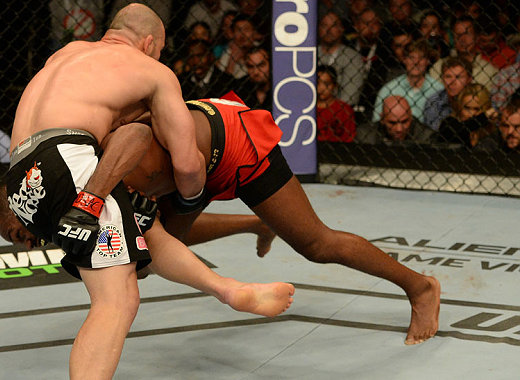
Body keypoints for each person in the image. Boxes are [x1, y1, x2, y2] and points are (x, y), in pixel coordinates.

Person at [0, 4, 218, 380]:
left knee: (114, 295)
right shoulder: (151, 70)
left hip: (19, 177)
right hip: (70, 161)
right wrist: (193, 198)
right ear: (151, 43)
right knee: (116, 301)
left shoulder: (67, 53)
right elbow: (186, 162)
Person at [120, 94, 440, 347]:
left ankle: (420, 287)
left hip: (232, 144)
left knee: (315, 243)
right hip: (188, 163)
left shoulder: (108, 163)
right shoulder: (96, 166)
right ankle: (257, 223)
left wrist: (187, 196)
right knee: (159, 246)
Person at [372, 39, 444, 123]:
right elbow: (376, 122)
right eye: (411, 57)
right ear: (404, 60)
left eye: (421, 58)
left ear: (428, 61)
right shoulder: (388, 90)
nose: (416, 62)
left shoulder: (439, 89)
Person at [429, 16, 498, 92]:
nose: (463, 39)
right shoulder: (438, 66)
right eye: (458, 35)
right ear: (453, 38)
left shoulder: (489, 71)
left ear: (477, 37)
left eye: (467, 34)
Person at [349, 8, 389, 122]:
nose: (371, 26)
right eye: (366, 22)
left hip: (373, 108)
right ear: (356, 26)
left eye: (375, 23)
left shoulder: (386, 54)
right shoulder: (346, 49)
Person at [318, 11, 365, 107]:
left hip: (339, 113)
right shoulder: (308, 54)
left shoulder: (353, 57)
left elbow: (350, 96)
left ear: (342, 29)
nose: (329, 30)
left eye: (334, 25)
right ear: (318, 28)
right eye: (324, 25)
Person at [357, 95, 437, 143]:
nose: (399, 129)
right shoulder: (365, 136)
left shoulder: (425, 137)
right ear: (382, 119)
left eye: (405, 121)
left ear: (411, 117)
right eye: (392, 123)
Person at [438, 83, 496, 148]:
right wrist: (485, 116)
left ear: (486, 108)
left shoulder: (493, 132)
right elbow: (461, 131)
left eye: (477, 109)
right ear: (459, 107)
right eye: (467, 108)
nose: (471, 114)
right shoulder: (448, 125)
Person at [423, 56, 473, 131]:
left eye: (459, 77)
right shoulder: (433, 102)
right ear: (442, 79)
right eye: (448, 77)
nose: (453, 82)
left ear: (469, 80)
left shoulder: (478, 100)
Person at [316, 65, 356, 142]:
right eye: (317, 83)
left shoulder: (344, 110)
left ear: (334, 85)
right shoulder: (306, 108)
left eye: (327, 84)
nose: (321, 88)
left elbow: (349, 139)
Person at [215, 14, 258, 79]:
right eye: (238, 30)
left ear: (254, 33)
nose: (242, 35)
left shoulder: (262, 49)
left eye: (246, 29)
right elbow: (226, 84)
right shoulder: (228, 54)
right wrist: (232, 60)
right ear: (233, 34)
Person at [236, 46, 272, 111]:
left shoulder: (281, 87)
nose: (256, 72)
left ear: (271, 64)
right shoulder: (240, 88)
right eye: (250, 67)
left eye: (261, 65)